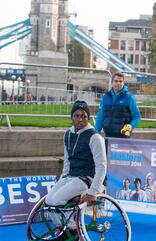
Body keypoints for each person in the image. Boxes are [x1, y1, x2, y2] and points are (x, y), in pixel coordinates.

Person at [45, 101, 106, 230]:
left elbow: (101, 166)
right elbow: (67, 162)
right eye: (76, 116)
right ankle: (62, 229)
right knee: (49, 202)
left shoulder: (95, 137)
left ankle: (72, 229)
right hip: (70, 176)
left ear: (88, 118)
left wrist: (93, 192)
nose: (80, 119)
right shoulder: (67, 134)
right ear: (72, 117)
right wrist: (62, 180)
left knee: (57, 202)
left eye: (84, 116)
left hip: (86, 178)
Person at [95, 72, 141, 138]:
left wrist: (131, 126)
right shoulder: (105, 97)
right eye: (116, 81)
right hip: (108, 136)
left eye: (120, 81)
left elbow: (137, 116)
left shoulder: (129, 98)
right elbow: (100, 116)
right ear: (112, 83)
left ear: (123, 83)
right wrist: (96, 133)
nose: (118, 83)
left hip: (123, 137)